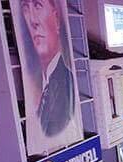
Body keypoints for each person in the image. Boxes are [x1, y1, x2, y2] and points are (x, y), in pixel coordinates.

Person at [19, 0, 76, 136]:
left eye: (38, 6)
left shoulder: (66, 81)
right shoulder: (42, 85)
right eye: (26, 8)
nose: (33, 20)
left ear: (56, 19)